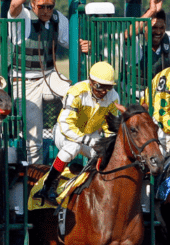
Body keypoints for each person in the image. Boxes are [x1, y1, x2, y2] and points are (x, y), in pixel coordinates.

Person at [8, 0, 91, 164]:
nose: (46, 11)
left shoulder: (56, 18)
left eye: (50, 6)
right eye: (42, 6)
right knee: (33, 139)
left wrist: (83, 46)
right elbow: (14, 4)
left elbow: (72, 43)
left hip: (48, 77)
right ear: (33, 5)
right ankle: (35, 176)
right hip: (24, 83)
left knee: (78, 95)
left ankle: (68, 136)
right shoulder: (23, 17)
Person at [34, 62, 120, 203]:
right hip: (65, 132)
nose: (104, 91)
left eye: (108, 87)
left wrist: (108, 143)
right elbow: (67, 125)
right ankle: (48, 186)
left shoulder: (113, 97)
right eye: (100, 86)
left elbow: (110, 127)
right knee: (72, 147)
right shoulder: (76, 91)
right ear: (91, 82)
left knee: (104, 154)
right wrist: (89, 141)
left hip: (90, 133)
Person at [131, 0, 170, 77]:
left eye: (161, 28)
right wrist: (151, 11)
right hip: (138, 89)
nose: (158, 32)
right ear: (144, 27)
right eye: (154, 28)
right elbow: (128, 34)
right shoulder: (135, 42)